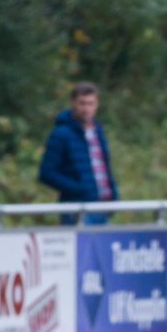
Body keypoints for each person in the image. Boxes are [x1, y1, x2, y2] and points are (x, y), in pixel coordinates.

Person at [38, 82, 120, 225]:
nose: (86, 109)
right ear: (73, 103)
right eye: (82, 104)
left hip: (103, 206)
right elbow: (46, 173)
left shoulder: (97, 131)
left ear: (97, 104)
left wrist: (113, 195)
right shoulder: (61, 134)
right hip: (77, 209)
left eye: (90, 104)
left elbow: (104, 167)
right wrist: (78, 189)